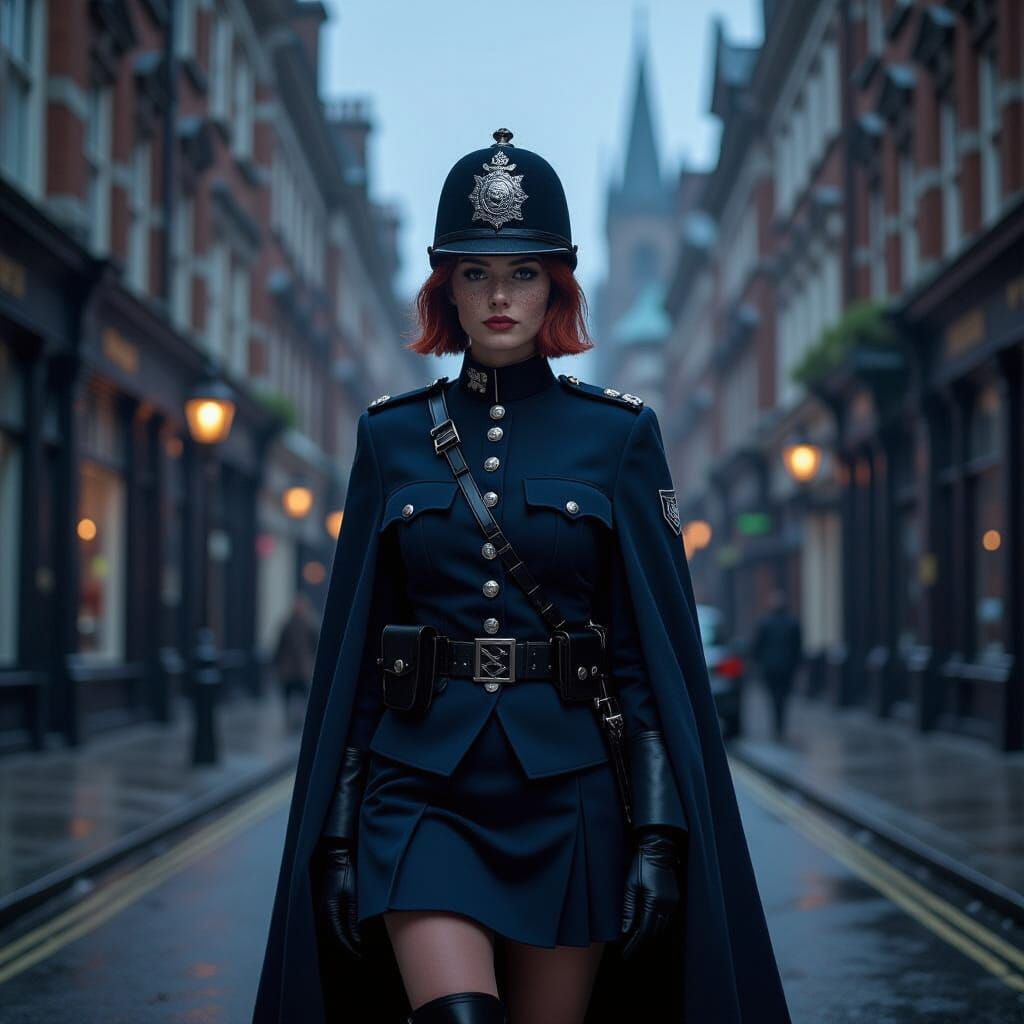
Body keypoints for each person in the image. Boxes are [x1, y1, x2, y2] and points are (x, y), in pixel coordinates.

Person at [253, 129, 791, 1024]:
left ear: (558, 288)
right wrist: (339, 832)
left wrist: (658, 832)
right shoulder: (390, 437)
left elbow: (643, 655)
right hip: (418, 785)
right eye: (474, 273)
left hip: (568, 793)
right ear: (444, 289)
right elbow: (354, 655)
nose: (499, 295)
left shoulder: (620, 435)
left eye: (524, 273)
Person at [751, 590, 803, 742]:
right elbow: (798, 648)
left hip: (770, 668)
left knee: (774, 698)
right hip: (786, 668)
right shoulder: (793, 623)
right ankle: (780, 727)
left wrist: (759, 663)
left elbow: (757, 648)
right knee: (783, 698)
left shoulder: (764, 623)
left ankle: (777, 727)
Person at [271, 592, 318, 730]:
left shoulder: (308, 624)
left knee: (299, 696)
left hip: (299, 668)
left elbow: (314, 645)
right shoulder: (289, 624)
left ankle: (298, 719)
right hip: (293, 668)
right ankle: (293, 719)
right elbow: (279, 646)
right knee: (291, 696)